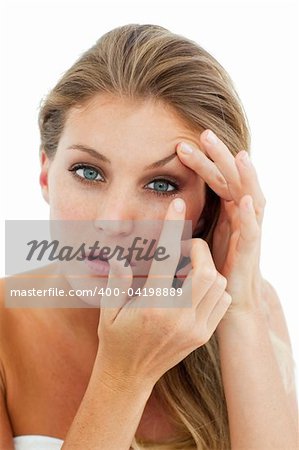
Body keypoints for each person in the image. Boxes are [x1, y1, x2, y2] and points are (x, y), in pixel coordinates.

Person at [0, 23, 297, 450]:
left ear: (207, 207)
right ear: (46, 172)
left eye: (161, 185)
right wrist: (123, 375)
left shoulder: (256, 308)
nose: (115, 220)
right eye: (88, 172)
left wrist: (240, 304)